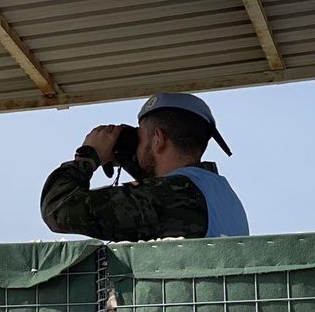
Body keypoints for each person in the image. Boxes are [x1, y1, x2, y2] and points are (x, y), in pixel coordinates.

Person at [40, 92, 249, 241]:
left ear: (158, 139)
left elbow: (59, 209)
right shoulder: (220, 193)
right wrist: (128, 155)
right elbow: (154, 189)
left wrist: (88, 157)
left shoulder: (170, 196)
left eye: (139, 138)